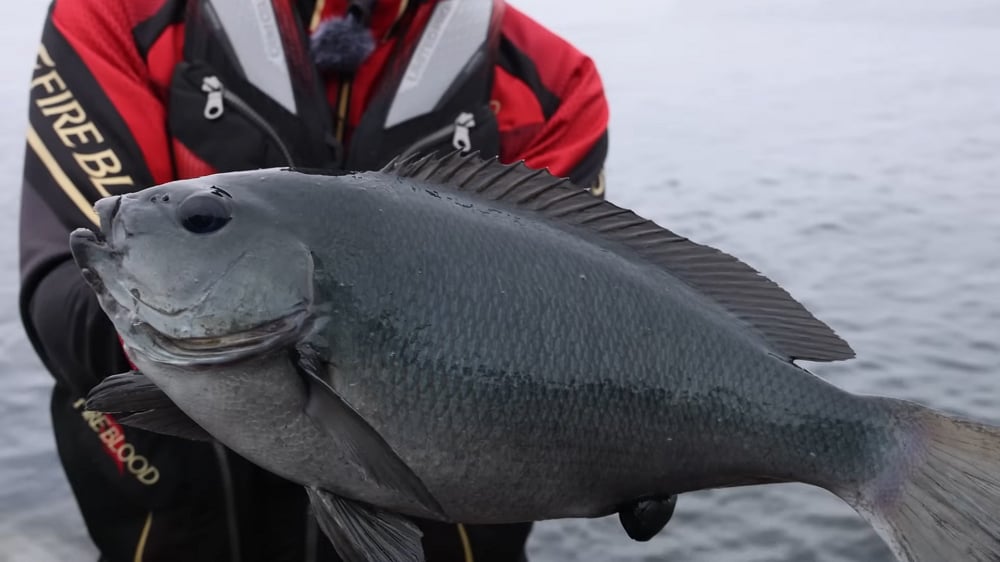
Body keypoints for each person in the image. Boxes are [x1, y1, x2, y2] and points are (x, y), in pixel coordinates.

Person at [18, 0, 670, 560]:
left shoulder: (552, 82)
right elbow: (64, 291)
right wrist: (255, 362)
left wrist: (656, 414)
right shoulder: (122, 17)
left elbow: (574, 335)